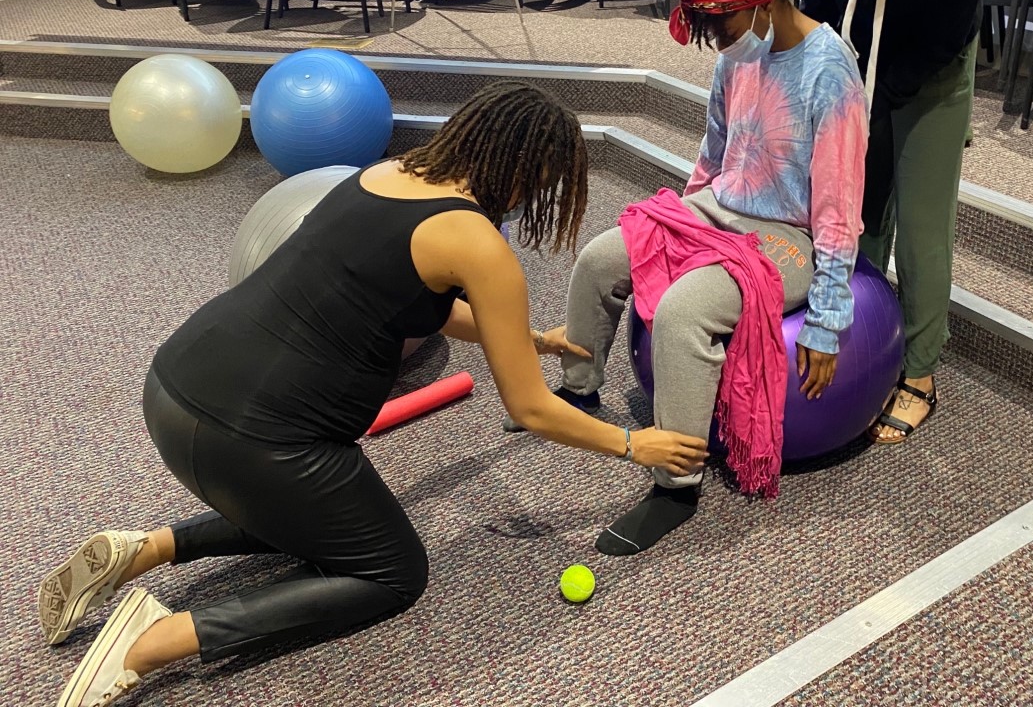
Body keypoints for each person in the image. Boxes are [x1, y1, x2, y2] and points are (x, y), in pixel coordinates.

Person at [40, 81, 708, 707]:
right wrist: (632, 441)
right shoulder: (478, 243)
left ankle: (146, 547)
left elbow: (420, 304)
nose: (539, 195)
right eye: (545, 182)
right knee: (390, 571)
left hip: (176, 386)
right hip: (257, 442)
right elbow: (530, 408)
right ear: (527, 170)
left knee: (325, 519)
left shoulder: (384, 174)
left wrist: (527, 337)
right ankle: (154, 642)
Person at [509, 0, 867, 555]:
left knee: (681, 312)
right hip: (717, 208)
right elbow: (713, 152)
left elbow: (841, 208)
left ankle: (676, 485)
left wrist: (826, 318)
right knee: (599, 258)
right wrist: (674, 224)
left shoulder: (829, 71)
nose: (718, 38)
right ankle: (579, 395)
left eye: (723, 21)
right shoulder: (737, 52)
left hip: (787, 236)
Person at [794, 0, 994, 444]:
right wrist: (834, 94)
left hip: (929, 71)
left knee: (921, 221)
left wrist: (878, 102)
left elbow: (940, 37)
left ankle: (919, 371)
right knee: (853, 211)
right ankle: (863, 349)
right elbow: (817, 10)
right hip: (850, 64)